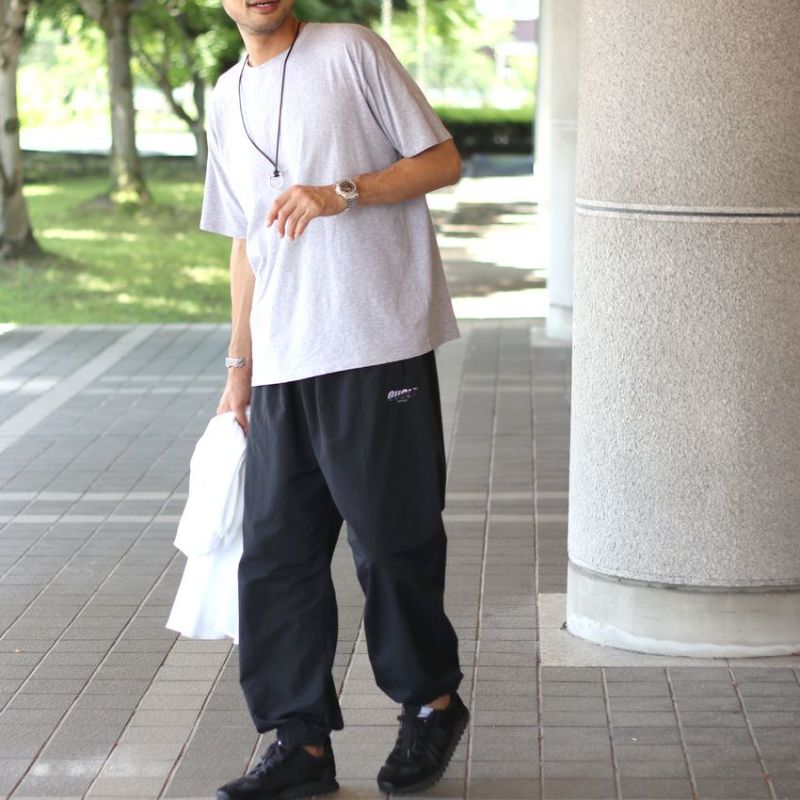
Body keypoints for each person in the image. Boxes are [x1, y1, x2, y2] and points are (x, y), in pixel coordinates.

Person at [203, 2, 468, 798]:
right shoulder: (224, 96)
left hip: (374, 338)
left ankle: (430, 703)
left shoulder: (350, 50)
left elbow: (442, 160)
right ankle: (300, 743)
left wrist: (344, 191)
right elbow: (247, 244)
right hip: (282, 359)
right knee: (276, 556)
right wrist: (239, 367)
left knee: (391, 541)